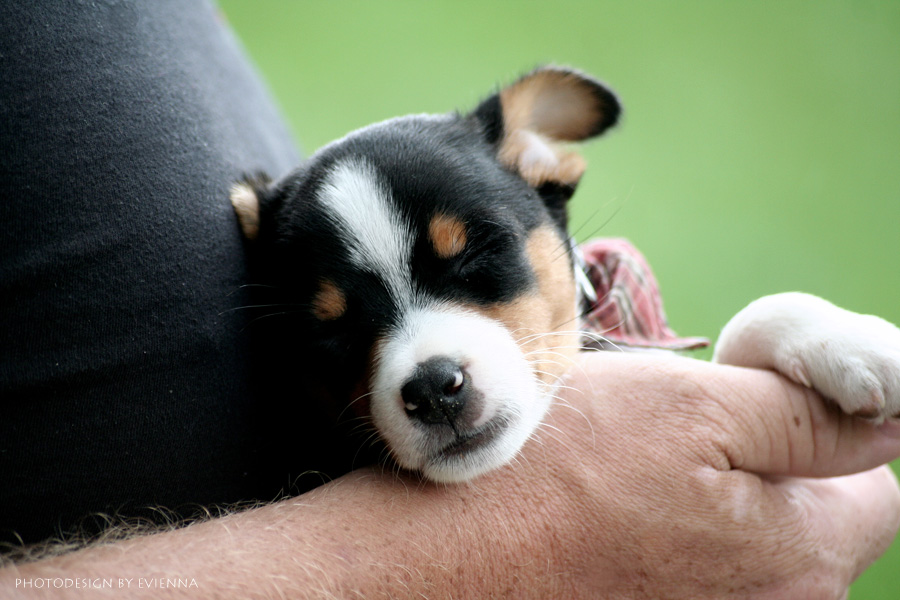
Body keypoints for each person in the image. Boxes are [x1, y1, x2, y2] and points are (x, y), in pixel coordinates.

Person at [2, 2, 898, 598]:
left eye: (477, 268)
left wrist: (778, 335)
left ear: (544, 164)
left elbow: (718, 430)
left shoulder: (596, 308)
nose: (423, 369)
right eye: (344, 332)